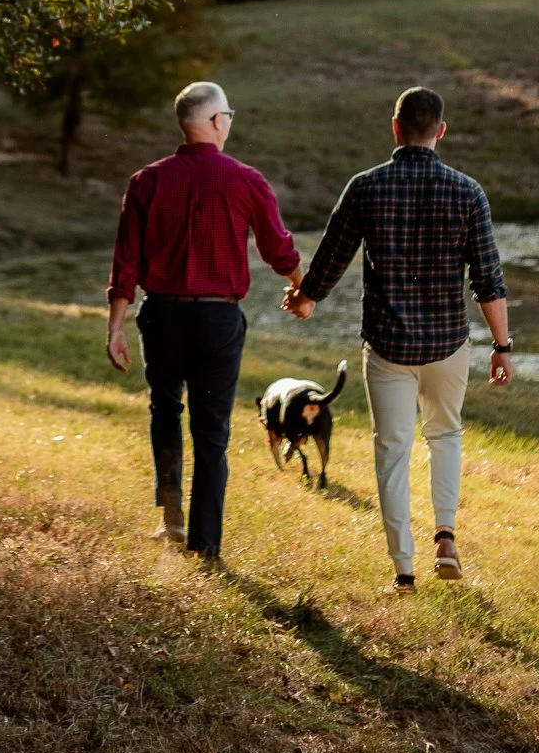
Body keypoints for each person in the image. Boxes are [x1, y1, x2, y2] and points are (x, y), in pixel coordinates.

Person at [284, 85, 510, 591]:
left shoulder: (366, 187)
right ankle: (446, 538)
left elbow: (331, 257)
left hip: (387, 348)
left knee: (392, 449)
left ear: (395, 127)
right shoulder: (467, 192)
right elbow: (488, 279)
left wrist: (305, 298)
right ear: (441, 132)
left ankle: (403, 571)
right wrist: (502, 347)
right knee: (445, 435)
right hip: (448, 345)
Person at [105, 80, 299, 559]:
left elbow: (125, 261)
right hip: (218, 321)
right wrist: (301, 286)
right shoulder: (245, 178)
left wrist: (115, 326)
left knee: (165, 411)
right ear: (215, 121)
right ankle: (205, 543)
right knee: (211, 432)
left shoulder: (146, 181)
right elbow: (277, 248)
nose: (230, 123)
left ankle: (171, 518)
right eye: (228, 115)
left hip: (162, 318)